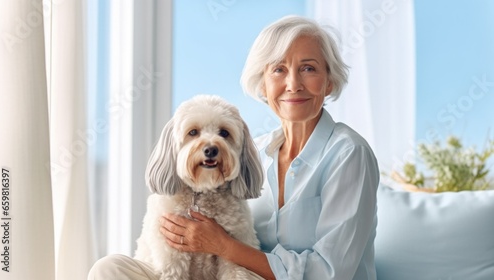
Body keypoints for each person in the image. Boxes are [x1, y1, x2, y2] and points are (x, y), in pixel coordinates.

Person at [88, 15, 379, 280]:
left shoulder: (348, 154)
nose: (293, 84)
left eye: (308, 68)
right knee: (108, 269)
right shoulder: (254, 150)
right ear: (263, 85)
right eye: (279, 69)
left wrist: (223, 246)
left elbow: (331, 272)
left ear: (328, 82)